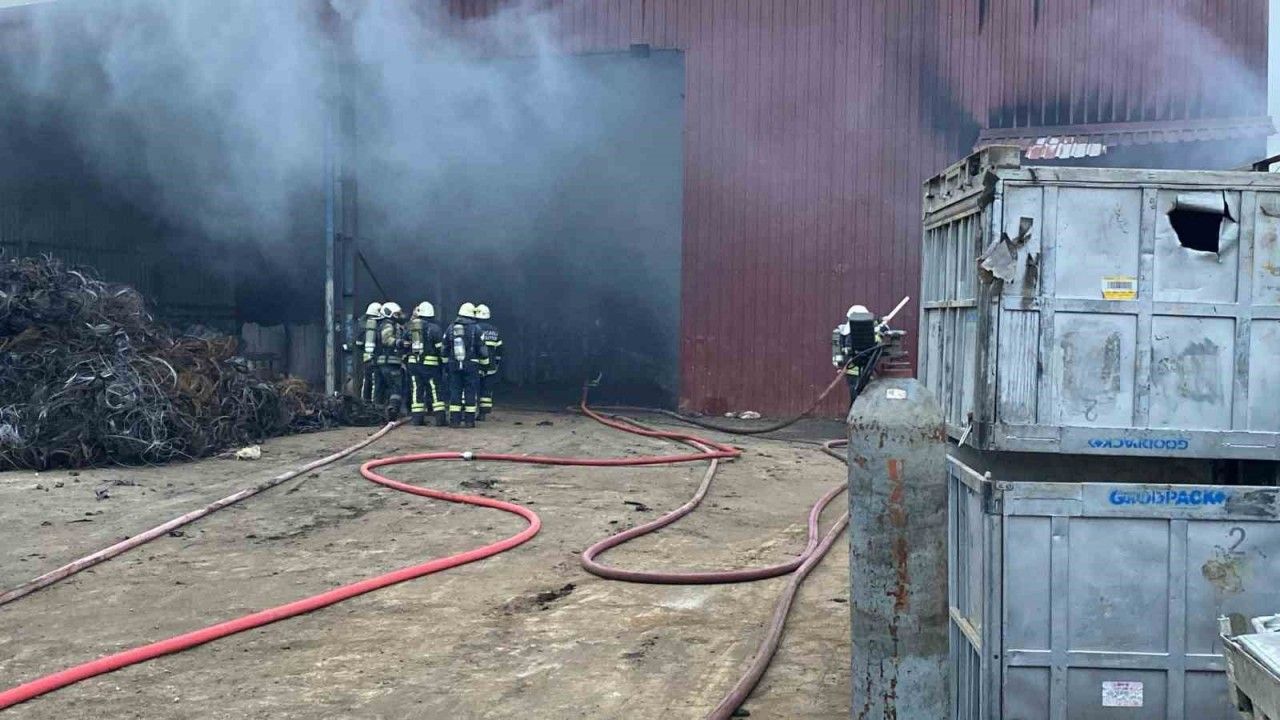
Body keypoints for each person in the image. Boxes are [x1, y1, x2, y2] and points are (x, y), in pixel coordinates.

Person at [444, 302, 486, 428]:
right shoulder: (477, 329)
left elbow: (444, 348)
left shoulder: (450, 328)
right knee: (470, 391)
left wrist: (446, 364)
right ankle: (469, 421)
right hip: (471, 365)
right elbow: (483, 350)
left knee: (455, 391)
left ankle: (454, 421)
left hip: (454, 364)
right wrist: (485, 365)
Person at [405, 301, 447, 427]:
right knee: (435, 390)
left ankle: (417, 420)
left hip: (413, 364)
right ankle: (440, 419)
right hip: (431, 366)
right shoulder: (435, 329)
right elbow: (441, 349)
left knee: (416, 389)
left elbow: (404, 345)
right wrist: (444, 363)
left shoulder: (410, 327)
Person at [832, 304, 879, 406]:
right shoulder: (852, 333)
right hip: (855, 369)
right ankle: (856, 412)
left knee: (862, 395)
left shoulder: (848, 331)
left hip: (863, 369)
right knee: (857, 395)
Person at [375, 301, 407, 416]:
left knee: (381, 389)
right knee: (396, 388)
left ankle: (377, 413)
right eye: (397, 314)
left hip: (382, 363)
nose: (400, 316)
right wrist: (400, 343)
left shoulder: (385, 324)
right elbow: (386, 339)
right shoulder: (388, 324)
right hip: (391, 362)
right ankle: (393, 411)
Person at [473, 303, 503, 421]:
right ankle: (483, 414)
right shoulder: (495, 330)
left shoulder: (474, 328)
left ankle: (470, 412)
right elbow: (499, 349)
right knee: (486, 390)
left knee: (473, 388)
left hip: (476, 364)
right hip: (490, 366)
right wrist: (497, 362)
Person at [356, 302, 383, 403]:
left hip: (366, 357)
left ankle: (364, 403)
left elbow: (358, 343)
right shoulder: (376, 324)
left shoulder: (362, 324)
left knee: (366, 381)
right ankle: (373, 405)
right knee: (374, 382)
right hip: (374, 357)